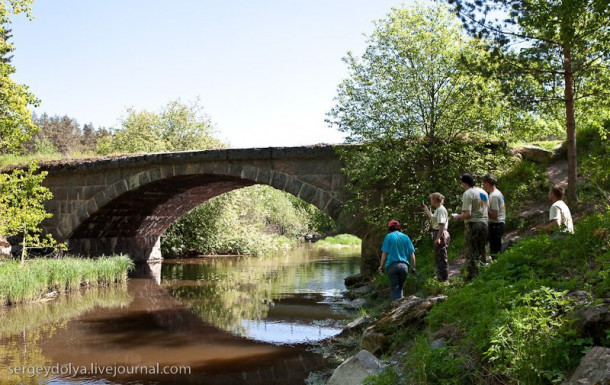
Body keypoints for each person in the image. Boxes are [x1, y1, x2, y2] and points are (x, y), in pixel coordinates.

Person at [452, 173, 489, 280]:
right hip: (484, 223)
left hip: (473, 224)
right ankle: (484, 271)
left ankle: (473, 276)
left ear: (464, 183)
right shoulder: (483, 192)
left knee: (472, 250)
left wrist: (457, 217)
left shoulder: (467, 194)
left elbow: (467, 213)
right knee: (482, 249)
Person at [378, 220, 416, 301]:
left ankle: (396, 307)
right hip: (404, 266)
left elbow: (384, 253)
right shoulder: (406, 237)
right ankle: (401, 305)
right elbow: (412, 253)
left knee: (395, 288)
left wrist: (381, 266)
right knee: (400, 287)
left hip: (392, 266)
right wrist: (413, 267)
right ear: (399, 228)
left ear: (389, 228)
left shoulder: (388, 237)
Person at [422, 192, 450, 281]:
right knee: (438, 256)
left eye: (431, 199)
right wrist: (426, 210)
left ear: (435, 200)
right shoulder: (438, 209)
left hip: (440, 234)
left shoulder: (441, 210)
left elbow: (441, 225)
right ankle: (441, 277)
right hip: (438, 233)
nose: (430, 201)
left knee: (441, 257)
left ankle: (444, 279)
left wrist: (438, 238)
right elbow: (433, 218)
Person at [482, 174, 506, 259]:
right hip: (499, 224)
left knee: (495, 252)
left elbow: (495, 215)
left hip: (496, 225)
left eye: (483, 183)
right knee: (496, 250)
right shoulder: (498, 193)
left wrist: (484, 211)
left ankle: (498, 269)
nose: (483, 185)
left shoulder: (494, 196)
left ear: (487, 183)